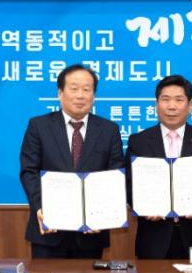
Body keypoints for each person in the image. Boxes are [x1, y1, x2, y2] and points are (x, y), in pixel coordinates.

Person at [20, 64, 124, 259]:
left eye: (86, 89)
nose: (80, 95)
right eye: (74, 89)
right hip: (49, 231)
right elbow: (29, 171)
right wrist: (41, 208)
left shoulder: (109, 130)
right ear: (60, 93)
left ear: (93, 95)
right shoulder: (39, 126)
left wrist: (101, 214)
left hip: (91, 232)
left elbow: (115, 175)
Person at [126, 75, 192, 259]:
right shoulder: (139, 141)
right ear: (156, 104)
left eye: (179, 100)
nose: (171, 106)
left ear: (190, 105)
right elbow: (129, 184)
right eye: (165, 99)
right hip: (153, 237)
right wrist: (143, 207)